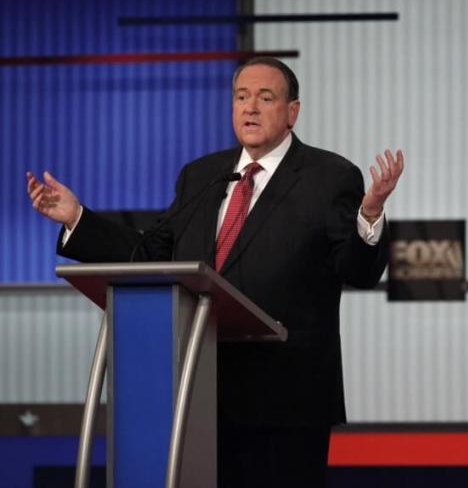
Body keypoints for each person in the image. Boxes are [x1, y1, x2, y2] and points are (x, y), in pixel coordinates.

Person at [26, 57, 404, 486]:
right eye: (241, 97)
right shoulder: (202, 176)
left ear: (292, 111)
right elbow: (151, 254)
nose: (251, 108)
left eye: (265, 97)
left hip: (286, 401)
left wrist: (369, 214)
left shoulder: (329, 176)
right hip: (200, 393)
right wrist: (77, 217)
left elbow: (357, 269)